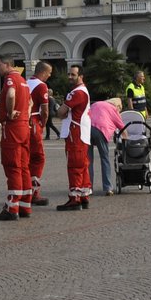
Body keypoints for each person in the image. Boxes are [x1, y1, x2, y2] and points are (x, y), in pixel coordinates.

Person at [0, 55, 32, 221]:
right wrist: (25, 117)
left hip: (13, 128)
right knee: (24, 166)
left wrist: (9, 112)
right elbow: (30, 103)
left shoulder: (10, 79)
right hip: (23, 126)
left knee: (13, 166)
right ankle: (25, 205)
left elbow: (10, 95)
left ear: (7, 65)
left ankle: (12, 206)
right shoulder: (23, 80)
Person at [57, 64, 92, 210]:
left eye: (73, 74)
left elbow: (61, 112)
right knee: (83, 164)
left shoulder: (76, 93)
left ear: (81, 76)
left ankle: (74, 198)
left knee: (74, 165)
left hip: (74, 132)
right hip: (81, 131)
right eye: (69, 74)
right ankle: (84, 195)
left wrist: (61, 111)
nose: (70, 77)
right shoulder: (84, 91)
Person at [26, 62, 53, 206]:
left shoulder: (25, 83)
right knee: (38, 157)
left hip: (23, 122)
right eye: (49, 73)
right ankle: (34, 191)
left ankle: (25, 189)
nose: (50, 75)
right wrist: (43, 123)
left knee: (26, 158)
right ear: (43, 72)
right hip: (34, 121)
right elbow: (45, 110)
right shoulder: (41, 86)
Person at [88, 95, 122, 197]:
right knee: (105, 159)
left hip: (88, 129)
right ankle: (108, 187)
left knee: (88, 160)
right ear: (118, 106)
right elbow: (121, 126)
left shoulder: (96, 104)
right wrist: (126, 139)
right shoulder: (113, 109)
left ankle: (88, 187)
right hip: (101, 130)